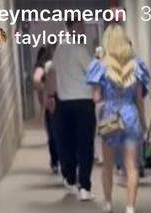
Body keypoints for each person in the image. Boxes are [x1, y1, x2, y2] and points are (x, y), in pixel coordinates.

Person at [87, 25, 149, 213]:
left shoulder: (100, 66)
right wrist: (144, 122)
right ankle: (130, 209)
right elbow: (139, 99)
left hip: (110, 116)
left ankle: (107, 203)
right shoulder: (137, 66)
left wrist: (104, 93)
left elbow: (96, 98)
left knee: (108, 165)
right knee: (132, 166)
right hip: (131, 115)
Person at [52, 22, 96, 202]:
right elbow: (94, 71)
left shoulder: (59, 50)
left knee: (66, 144)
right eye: (80, 28)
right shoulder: (80, 49)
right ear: (72, 28)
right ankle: (84, 186)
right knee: (85, 145)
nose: (83, 31)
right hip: (83, 104)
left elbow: (54, 74)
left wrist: (50, 97)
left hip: (63, 104)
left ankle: (70, 179)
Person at [33, 46, 59, 175]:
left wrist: (45, 89)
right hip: (64, 100)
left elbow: (36, 79)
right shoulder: (59, 63)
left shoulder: (43, 64)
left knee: (52, 133)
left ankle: (55, 162)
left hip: (50, 102)